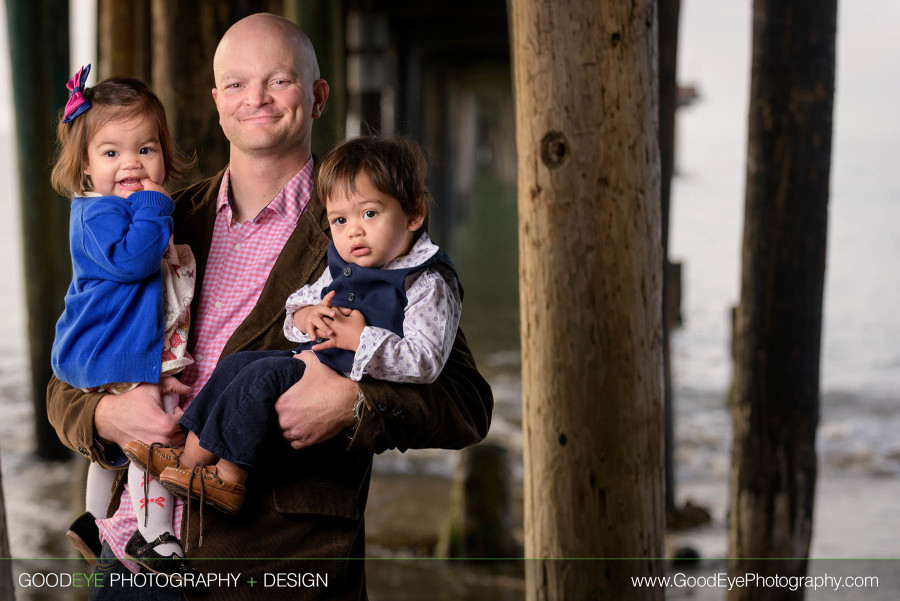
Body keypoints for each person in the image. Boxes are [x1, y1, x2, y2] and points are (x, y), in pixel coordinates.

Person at [46, 12, 492, 601]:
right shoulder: (157, 222)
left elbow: (466, 402)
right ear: (216, 99)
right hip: (129, 562)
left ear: (317, 95)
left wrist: (354, 404)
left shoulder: (366, 229)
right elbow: (67, 377)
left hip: (275, 572)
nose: (255, 98)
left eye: (278, 80)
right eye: (236, 83)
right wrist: (107, 418)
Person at [126, 135, 462, 519]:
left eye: (370, 214)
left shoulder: (426, 281)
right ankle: (187, 456)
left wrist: (359, 347)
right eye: (339, 220)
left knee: (262, 380)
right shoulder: (344, 261)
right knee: (239, 364)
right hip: (311, 357)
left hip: (333, 377)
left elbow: (428, 362)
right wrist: (307, 317)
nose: (353, 231)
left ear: (414, 214)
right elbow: (300, 303)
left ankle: (228, 477)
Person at [48, 67, 197, 578]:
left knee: (111, 452)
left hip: (111, 345)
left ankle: (94, 521)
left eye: (146, 149)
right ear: (86, 167)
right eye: (111, 153)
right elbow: (135, 261)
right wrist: (155, 202)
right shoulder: (98, 214)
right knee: (149, 441)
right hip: (106, 348)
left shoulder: (118, 208)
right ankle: (155, 534)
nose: (131, 163)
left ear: (164, 152)